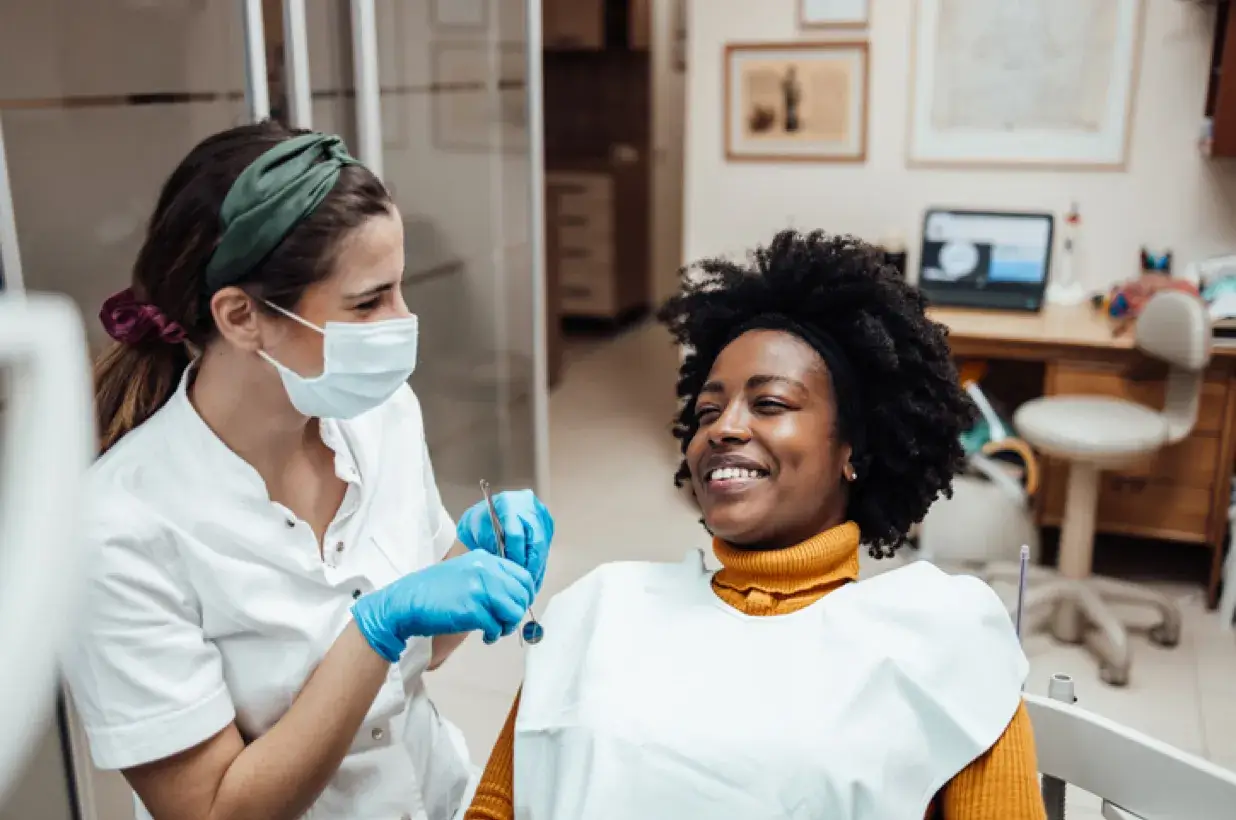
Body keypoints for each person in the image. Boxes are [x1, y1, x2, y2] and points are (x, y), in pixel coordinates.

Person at [63, 121, 555, 820]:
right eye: (368, 301)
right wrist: (374, 628)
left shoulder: (382, 416)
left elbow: (427, 653)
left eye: (400, 289)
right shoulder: (116, 529)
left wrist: (479, 562)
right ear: (240, 316)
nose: (403, 320)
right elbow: (213, 810)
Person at [465, 230, 1046, 820]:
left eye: (769, 404)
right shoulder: (598, 610)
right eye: (707, 412)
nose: (721, 430)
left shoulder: (941, 641)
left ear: (853, 450)